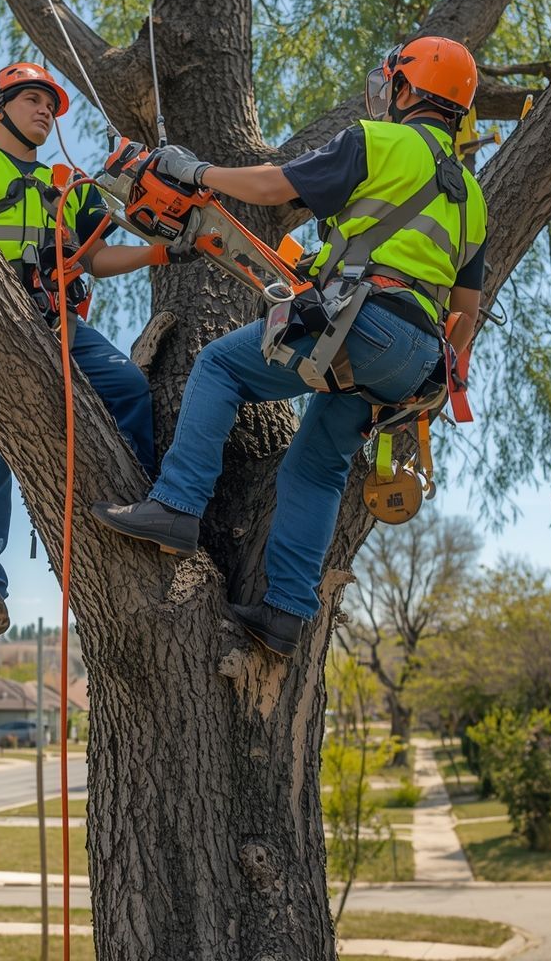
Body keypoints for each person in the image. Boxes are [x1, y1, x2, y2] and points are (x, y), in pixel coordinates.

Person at [92, 36, 488, 656]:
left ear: (407, 89)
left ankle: (176, 505)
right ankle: (285, 615)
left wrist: (193, 171)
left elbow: (277, 187)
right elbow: (465, 312)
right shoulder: (472, 196)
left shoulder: (377, 141)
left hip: (363, 323)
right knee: (317, 466)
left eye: (392, 84)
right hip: (418, 360)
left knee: (220, 365)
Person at [0, 61, 170, 665]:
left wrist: (159, 252)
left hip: (60, 324)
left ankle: (140, 508)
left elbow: (97, 259)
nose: (46, 111)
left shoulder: (71, 183)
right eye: (33, 99)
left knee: (127, 387)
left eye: (50, 104)